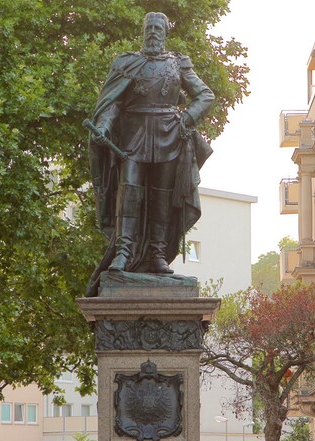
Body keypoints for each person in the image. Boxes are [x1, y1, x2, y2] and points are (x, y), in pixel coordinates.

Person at [85, 11, 214, 296]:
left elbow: (205, 95)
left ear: (166, 32)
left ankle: (157, 255)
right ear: (143, 31)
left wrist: (186, 118)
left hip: (169, 135)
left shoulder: (178, 63)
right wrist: (104, 126)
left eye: (158, 28)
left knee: (162, 197)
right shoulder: (126, 63)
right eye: (149, 28)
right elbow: (112, 103)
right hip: (132, 135)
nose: (153, 32)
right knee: (128, 193)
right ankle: (123, 253)